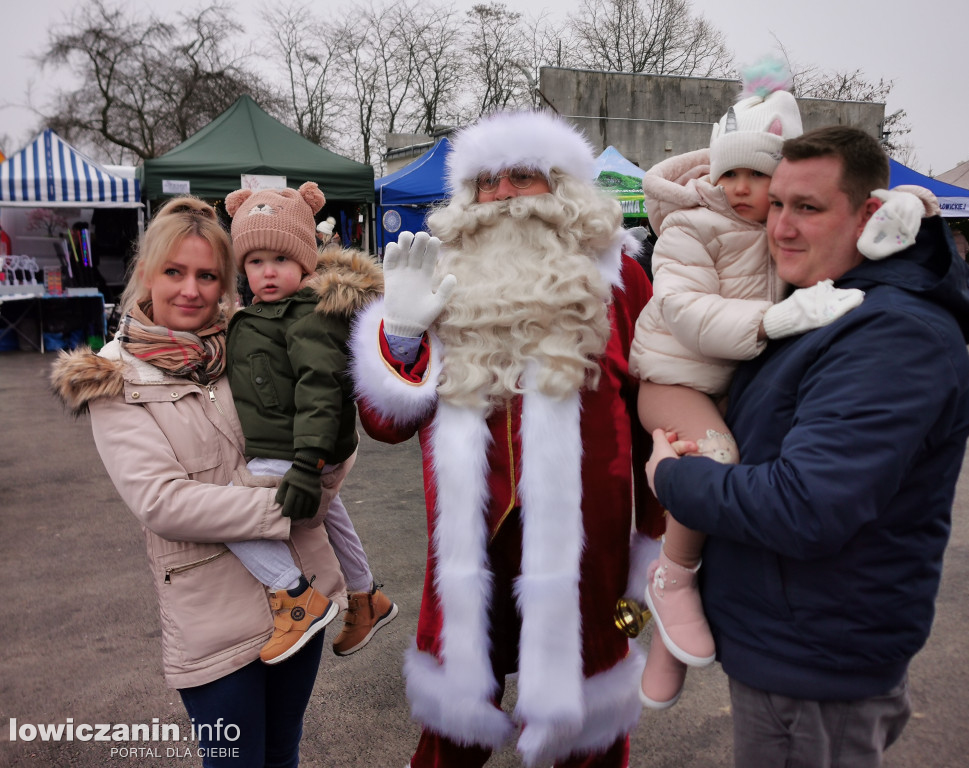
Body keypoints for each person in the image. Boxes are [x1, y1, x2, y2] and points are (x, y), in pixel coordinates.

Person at [645, 125, 969, 768]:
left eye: (808, 207)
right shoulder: (825, 305)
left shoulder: (892, 333)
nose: (780, 227)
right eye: (776, 204)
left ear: (869, 215)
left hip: (814, 664)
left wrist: (673, 479)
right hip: (795, 642)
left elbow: (805, 507)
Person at [349, 110, 664, 768]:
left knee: (589, 724)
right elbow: (385, 422)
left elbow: (650, 411)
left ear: (564, 189)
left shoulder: (620, 279)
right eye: (486, 182)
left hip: (588, 545)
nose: (501, 196)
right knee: (454, 727)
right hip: (475, 541)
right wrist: (401, 334)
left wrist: (655, 538)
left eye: (523, 177)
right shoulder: (435, 277)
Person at [50, 196, 346, 767]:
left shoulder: (255, 338)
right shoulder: (114, 379)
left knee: (284, 754)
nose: (191, 290)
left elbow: (325, 432)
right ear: (146, 275)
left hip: (302, 602)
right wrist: (292, 502)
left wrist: (321, 468)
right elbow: (164, 502)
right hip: (213, 624)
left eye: (207, 275)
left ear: (225, 281)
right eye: (174, 272)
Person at [629, 60, 866, 709]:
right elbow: (679, 306)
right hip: (672, 376)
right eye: (727, 172)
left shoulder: (779, 227)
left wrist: (909, 208)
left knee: (726, 508)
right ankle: (672, 579)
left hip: (730, 380)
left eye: (756, 174)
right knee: (718, 463)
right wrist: (775, 318)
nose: (738, 188)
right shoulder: (688, 224)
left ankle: (667, 658)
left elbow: (852, 212)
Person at [222, 181, 396, 661]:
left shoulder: (307, 315)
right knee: (333, 516)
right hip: (294, 447)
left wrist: (306, 462)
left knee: (228, 515)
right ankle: (367, 597)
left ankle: (295, 597)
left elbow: (320, 388)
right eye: (255, 262)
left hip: (297, 452)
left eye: (280, 259)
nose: (267, 272)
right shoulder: (265, 313)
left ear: (305, 260)